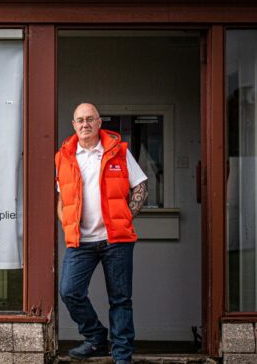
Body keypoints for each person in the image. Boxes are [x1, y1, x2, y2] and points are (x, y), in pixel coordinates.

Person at [55, 103, 148, 364]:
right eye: (80, 120)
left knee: (120, 299)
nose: (85, 124)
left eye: (90, 119)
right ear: (73, 125)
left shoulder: (118, 151)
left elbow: (140, 187)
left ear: (99, 123)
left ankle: (122, 356)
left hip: (116, 240)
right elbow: (61, 200)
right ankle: (96, 338)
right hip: (81, 241)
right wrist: (67, 224)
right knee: (69, 291)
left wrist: (125, 218)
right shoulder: (64, 157)